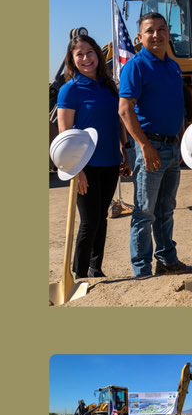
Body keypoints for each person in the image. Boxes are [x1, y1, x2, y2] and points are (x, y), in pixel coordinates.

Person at [119, 12, 192, 279]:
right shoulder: (136, 67)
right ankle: (141, 271)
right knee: (144, 213)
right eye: (150, 30)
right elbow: (125, 110)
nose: (157, 35)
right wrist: (144, 146)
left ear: (168, 33)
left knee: (166, 210)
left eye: (162, 29)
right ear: (140, 37)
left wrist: (180, 144)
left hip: (171, 148)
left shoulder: (173, 67)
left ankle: (167, 260)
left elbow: (177, 107)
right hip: (150, 149)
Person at [56, 32, 128, 278]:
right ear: (71, 59)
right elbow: (65, 132)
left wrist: (123, 150)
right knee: (89, 221)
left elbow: (116, 122)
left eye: (90, 53)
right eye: (79, 55)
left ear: (98, 55)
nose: (86, 58)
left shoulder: (109, 87)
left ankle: (96, 267)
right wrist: (77, 169)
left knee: (102, 218)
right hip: (84, 165)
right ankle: (79, 272)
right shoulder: (70, 90)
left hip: (110, 162)